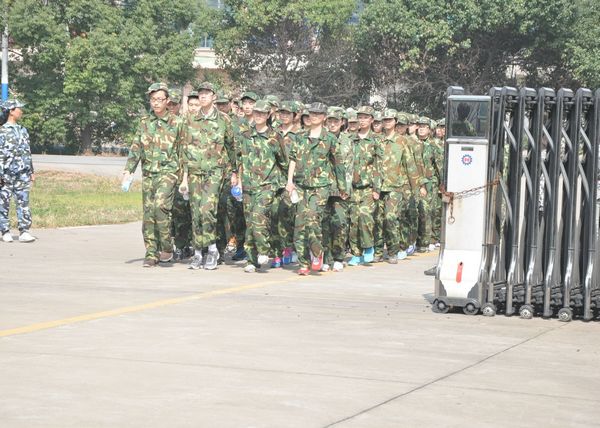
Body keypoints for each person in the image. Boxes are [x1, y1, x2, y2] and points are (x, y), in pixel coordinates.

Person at [123, 83, 183, 267]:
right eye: (153, 99)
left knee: (160, 207)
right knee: (148, 214)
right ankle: (151, 252)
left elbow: (183, 151)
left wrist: (184, 177)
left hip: (169, 172)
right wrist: (128, 170)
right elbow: (136, 147)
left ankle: (166, 246)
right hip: (149, 173)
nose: (156, 103)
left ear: (167, 101)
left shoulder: (177, 123)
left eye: (159, 99)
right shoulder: (144, 122)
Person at [179, 82, 236, 270]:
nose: (203, 96)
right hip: (195, 171)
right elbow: (184, 149)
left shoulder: (224, 120)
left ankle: (212, 249)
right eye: (200, 94)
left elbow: (231, 146)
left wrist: (235, 172)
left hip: (215, 171)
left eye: (206, 93)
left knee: (207, 210)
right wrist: (184, 177)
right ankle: (197, 252)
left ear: (214, 97)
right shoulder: (190, 119)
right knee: (195, 212)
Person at [287, 102, 346, 275]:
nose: (314, 117)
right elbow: (293, 159)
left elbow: (338, 164)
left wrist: (342, 187)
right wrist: (289, 181)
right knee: (299, 224)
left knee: (312, 218)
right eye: (312, 113)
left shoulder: (329, 139)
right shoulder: (300, 136)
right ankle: (303, 263)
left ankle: (317, 252)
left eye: (318, 114)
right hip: (301, 185)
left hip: (320, 186)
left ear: (324, 118)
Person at [235, 100, 287, 273]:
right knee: (250, 222)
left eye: (262, 113)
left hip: (267, 185)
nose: (258, 116)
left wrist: (287, 183)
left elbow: (283, 161)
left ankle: (264, 249)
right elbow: (239, 160)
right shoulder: (245, 135)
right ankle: (251, 259)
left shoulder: (274, 136)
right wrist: (239, 181)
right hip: (249, 186)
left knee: (258, 217)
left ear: (268, 115)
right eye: (256, 113)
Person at [347, 106, 382, 266]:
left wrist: (377, 189)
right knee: (354, 220)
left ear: (371, 120)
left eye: (365, 117)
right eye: (359, 117)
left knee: (365, 218)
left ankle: (368, 247)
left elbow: (378, 165)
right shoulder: (350, 138)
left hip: (368, 187)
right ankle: (356, 253)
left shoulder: (376, 140)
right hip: (352, 187)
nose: (362, 120)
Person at [378, 108, 414, 263]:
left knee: (391, 217)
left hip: (394, 186)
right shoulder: (377, 139)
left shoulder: (402, 140)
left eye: (390, 120)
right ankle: (378, 250)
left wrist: (415, 188)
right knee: (378, 220)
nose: (387, 122)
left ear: (395, 122)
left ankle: (393, 250)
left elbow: (410, 164)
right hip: (377, 186)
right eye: (384, 120)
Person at [322, 106, 353, 272]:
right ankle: (326, 257)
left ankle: (339, 256)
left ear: (342, 122)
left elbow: (348, 167)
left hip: (341, 190)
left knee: (340, 222)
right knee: (324, 224)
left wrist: (345, 189)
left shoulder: (348, 141)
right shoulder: (322, 138)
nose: (332, 124)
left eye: (336, 121)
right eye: (330, 121)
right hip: (323, 187)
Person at [0, 99, 36, 243]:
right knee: (3, 202)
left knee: (23, 202)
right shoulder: (1, 131)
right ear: (11, 111)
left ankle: (24, 231)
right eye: (19, 108)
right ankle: (5, 231)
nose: (21, 111)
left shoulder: (23, 130)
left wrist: (31, 171)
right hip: (5, 173)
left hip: (22, 172)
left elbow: (27, 152)